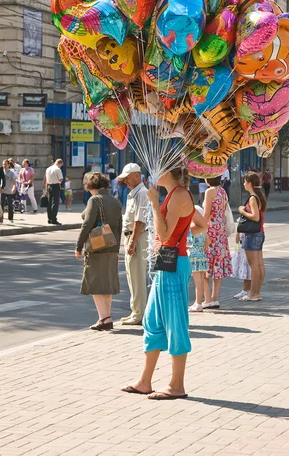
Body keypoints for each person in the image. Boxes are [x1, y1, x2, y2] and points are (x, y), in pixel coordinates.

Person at [121, 167, 206, 400]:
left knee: (175, 323)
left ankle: (177, 385)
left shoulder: (179, 195)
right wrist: (185, 232)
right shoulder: (176, 194)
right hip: (166, 264)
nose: (154, 172)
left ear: (170, 172)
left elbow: (166, 235)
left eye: (160, 168)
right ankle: (145, 381)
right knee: (152, 321)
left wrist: (155, 205)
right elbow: (201, 224)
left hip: (173, 265)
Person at [75, 172, 122, 330]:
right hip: (111, 246)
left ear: (92, 186)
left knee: (94, 282)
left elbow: (87, 224)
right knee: (107, 283)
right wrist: (117, 249)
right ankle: (106, 317)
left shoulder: (94, 200)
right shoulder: (115, 202)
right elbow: (119, 227)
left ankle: (104, 318)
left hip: (96, 247)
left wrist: (78, 246)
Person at [118, 163, 149, 326]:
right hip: (131, 237)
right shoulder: (134, 193)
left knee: (136, 276)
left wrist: (132, 242)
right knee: (131, 276)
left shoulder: (142, 193)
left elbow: (139, 221)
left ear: (137, 175)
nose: (125, 181)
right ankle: (135, 310)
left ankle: (139, 313)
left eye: (127, 178)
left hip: (137, 237)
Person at [202, 176, 232, 310]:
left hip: (211, 231)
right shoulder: (222, 191)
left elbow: (206, 214)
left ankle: (207, 299)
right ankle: (215, 298)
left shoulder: (210, 192)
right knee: (217, 264)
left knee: (204, 264)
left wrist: (198, 226)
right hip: (221, 231)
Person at [237, 171, 266, 302]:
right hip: (259, 233)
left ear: (249, 184)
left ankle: (253, 293)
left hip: (252, 234)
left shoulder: (253, 198)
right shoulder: (258, 196)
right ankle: (257, 292)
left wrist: (242, 211)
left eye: (244, 181)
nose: (243, 184)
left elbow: (255, 217)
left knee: (254, 265)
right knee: (259, 264)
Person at [188, 205, 209, 312]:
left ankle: (198, 303)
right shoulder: (203, 229)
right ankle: (199, 302)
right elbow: (208, 242)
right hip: (201, 255)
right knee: (200, 280)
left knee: (197, 281)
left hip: (193, 255)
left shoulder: (191, 227)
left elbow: (187, 242)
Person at [44, 158, 64, 224]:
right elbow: (60, 179)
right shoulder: (57, 169)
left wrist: (46, 189)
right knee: (55, 203)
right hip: (56, 186)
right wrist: (59, 182)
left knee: (49, 203)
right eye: (61, 165)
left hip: (49, 185)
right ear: (60, 163)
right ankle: (54, 219)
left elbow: (46, 180)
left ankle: (49, 218)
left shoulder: (48, 169)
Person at [1, 159, 18, 224]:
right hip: (2, 191)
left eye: (5, 164)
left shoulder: (11, 173)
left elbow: (14, 182)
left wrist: (14, 188)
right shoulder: (1, 172)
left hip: (9, 191)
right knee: (1, 204)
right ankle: (1, 217)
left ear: (8, 165)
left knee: (10, 205)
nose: (4, 166)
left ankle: (10, 218)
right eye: (3, 164)